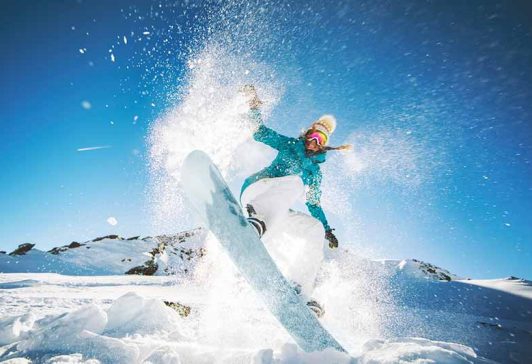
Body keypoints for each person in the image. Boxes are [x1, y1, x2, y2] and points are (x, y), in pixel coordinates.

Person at [239, 85, 351, 317]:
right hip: (256, 194)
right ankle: (257, 222)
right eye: (311, 135)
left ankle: (301, 292)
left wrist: (327, 230)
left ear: (324, 144)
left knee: (314, 229)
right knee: (295, 183)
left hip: (275, 213)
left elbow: (313, 204)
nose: (312, 141)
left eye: (319, 138)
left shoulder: (315, 174)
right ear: (305, 134)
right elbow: (260, 133)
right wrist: (254, 106)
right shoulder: (290, 145)